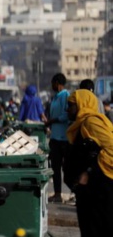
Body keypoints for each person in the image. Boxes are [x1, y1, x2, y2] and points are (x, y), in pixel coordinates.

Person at [64, 90, 113, 237]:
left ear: (81, 105)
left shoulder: (91, 122)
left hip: (100, 192)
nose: (67, 109)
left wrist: (89, 172)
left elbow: (111, 148)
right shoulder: (81, 125)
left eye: (71, 105)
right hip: (89, 194)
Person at [46, 73, 71, 203]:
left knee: (67, 168)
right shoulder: (55, 98)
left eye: (53, 83)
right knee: (55, 168)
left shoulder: (66, 96)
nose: (52, 86)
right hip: (55, 137)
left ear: (58, 83)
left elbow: (66, 115)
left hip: (64, 139)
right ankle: (57, 194)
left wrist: (53, 120)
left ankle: (75, 193)